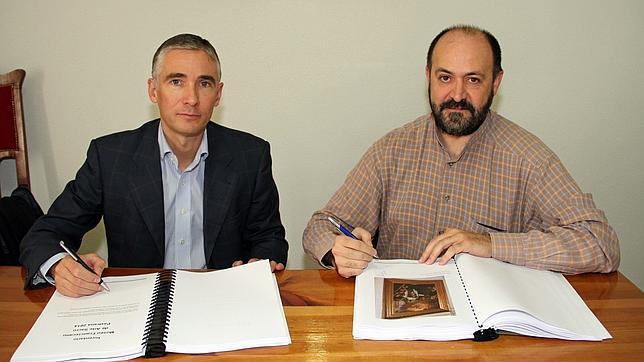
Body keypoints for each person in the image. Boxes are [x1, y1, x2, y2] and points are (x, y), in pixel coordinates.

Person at [302, 25, 619, 278]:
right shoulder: (391, 150)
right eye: (445, 78)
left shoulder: (529, 157)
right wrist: (336, 250)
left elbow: (602, 245)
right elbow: (321, 226)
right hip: (398, 324)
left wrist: (491, 244)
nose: (457, 94)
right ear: (428, 77)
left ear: (496, 83)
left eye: (473, 80)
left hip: (488, 335)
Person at [20, 34, 289, 296]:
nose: (192, 98)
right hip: (138, 304)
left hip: (221, 300)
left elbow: (270, 238)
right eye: (176, 81)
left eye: (204, 83)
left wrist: (260, 263)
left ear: (218, 94)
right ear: (153, 90)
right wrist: (58, 265)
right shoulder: (111, 157)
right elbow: (44, 234)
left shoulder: (250, 155)